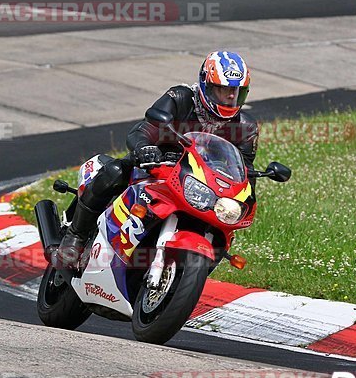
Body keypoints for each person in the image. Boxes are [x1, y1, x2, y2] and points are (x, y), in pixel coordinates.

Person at [52, 50, 260, 269]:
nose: (230, 97)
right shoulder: (180, 98)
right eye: (224, 89)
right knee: (114, 171)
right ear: (206, 85)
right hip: (156, 166)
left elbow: (245, 168)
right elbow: (143, 130)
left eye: (236, 91)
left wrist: (246, 196)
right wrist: (144, 148)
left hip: (199, 183)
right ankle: (75, 237)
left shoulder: (245, 127)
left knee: (222, 225)